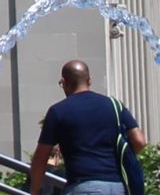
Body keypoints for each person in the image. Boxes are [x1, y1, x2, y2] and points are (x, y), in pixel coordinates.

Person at [28, 59, 147, 195]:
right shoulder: (114, 105)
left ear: (64, 82)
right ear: (89, 80)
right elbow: (140, 141)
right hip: (117, 187)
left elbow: (40, 158)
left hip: (83, 186)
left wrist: (35, 190)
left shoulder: (58, 111)